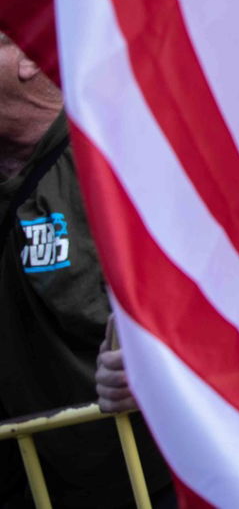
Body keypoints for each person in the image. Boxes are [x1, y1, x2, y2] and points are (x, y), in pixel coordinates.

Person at [0, 33, 172, 507]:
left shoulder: (119, 151)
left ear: (28, 58)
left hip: (155, 479)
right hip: (39, 484)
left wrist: (161, 357)